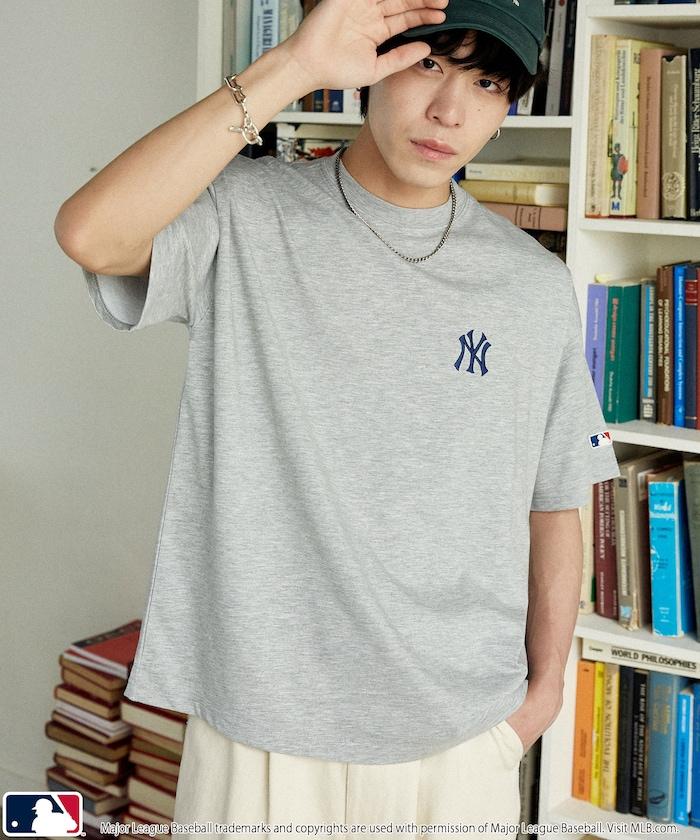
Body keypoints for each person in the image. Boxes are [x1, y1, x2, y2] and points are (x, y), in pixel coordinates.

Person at [54, 0, 621, 833]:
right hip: (263, 726)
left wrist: (541, 698)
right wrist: (293, 65)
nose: (450, 111)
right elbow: (91, 234)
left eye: (487, 83)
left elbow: (556, 496)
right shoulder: (246, 215)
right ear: (369, 65)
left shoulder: (530, 285)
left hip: (462, 735)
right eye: (427, 64)